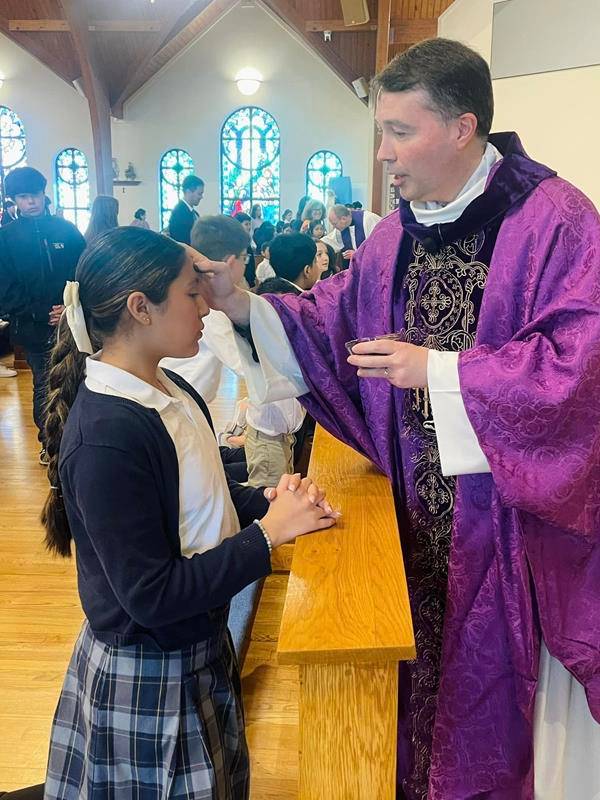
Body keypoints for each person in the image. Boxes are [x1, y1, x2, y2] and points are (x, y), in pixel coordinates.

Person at [195, 37, 600, 800]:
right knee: (412, 702)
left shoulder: (556, 222)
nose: (382, 154)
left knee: (499, 721)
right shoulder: (396, 235)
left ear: (462, 127)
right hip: (411, 525)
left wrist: (441, 372)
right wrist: (240, 304)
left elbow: (581, 368)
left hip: (507, 535)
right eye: (381, 130)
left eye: (399, 132)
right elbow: (329, 322)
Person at [40, 226, 339, 799]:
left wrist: (271, 501)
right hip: (150, 664)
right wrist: (266, 538)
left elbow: (203, 486)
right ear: (140, 308)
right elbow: (151, 596)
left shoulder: (169, 386)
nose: (205, 307)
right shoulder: (106, 435)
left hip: (198, 641)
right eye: (190, 292)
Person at [0, 167, 85, 463]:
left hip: (72, 323)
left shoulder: (66, 230)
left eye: (35, 195)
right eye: (23, 197)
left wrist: (70, 306)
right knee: (44, 385)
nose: (31, 202)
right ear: (14, 200)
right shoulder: (6, 238)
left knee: (78, 381)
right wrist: (40, 313)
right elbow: (5, 289)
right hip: (32, 328)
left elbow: (83, 270)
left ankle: (77, 440)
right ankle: (49, 444)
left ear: (43, 193)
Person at [321, 202, 381, 268]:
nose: (334, 227)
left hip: (374, 266)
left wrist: (357, 254)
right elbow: (330, 241)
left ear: (343, 219)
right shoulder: (341, 229)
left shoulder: (368, 219)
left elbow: (380, 246)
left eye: (335, 224)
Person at [168, 174, 205, 245]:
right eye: (199, 194)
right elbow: (180, 242)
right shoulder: (178, 213)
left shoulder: (194, 213)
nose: (201, 197)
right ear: (189, 192)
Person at [234, 212, 256, 286]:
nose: (249, 227)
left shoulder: (247, 240)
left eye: (250, 224)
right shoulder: (235, 242)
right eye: (246, 224)